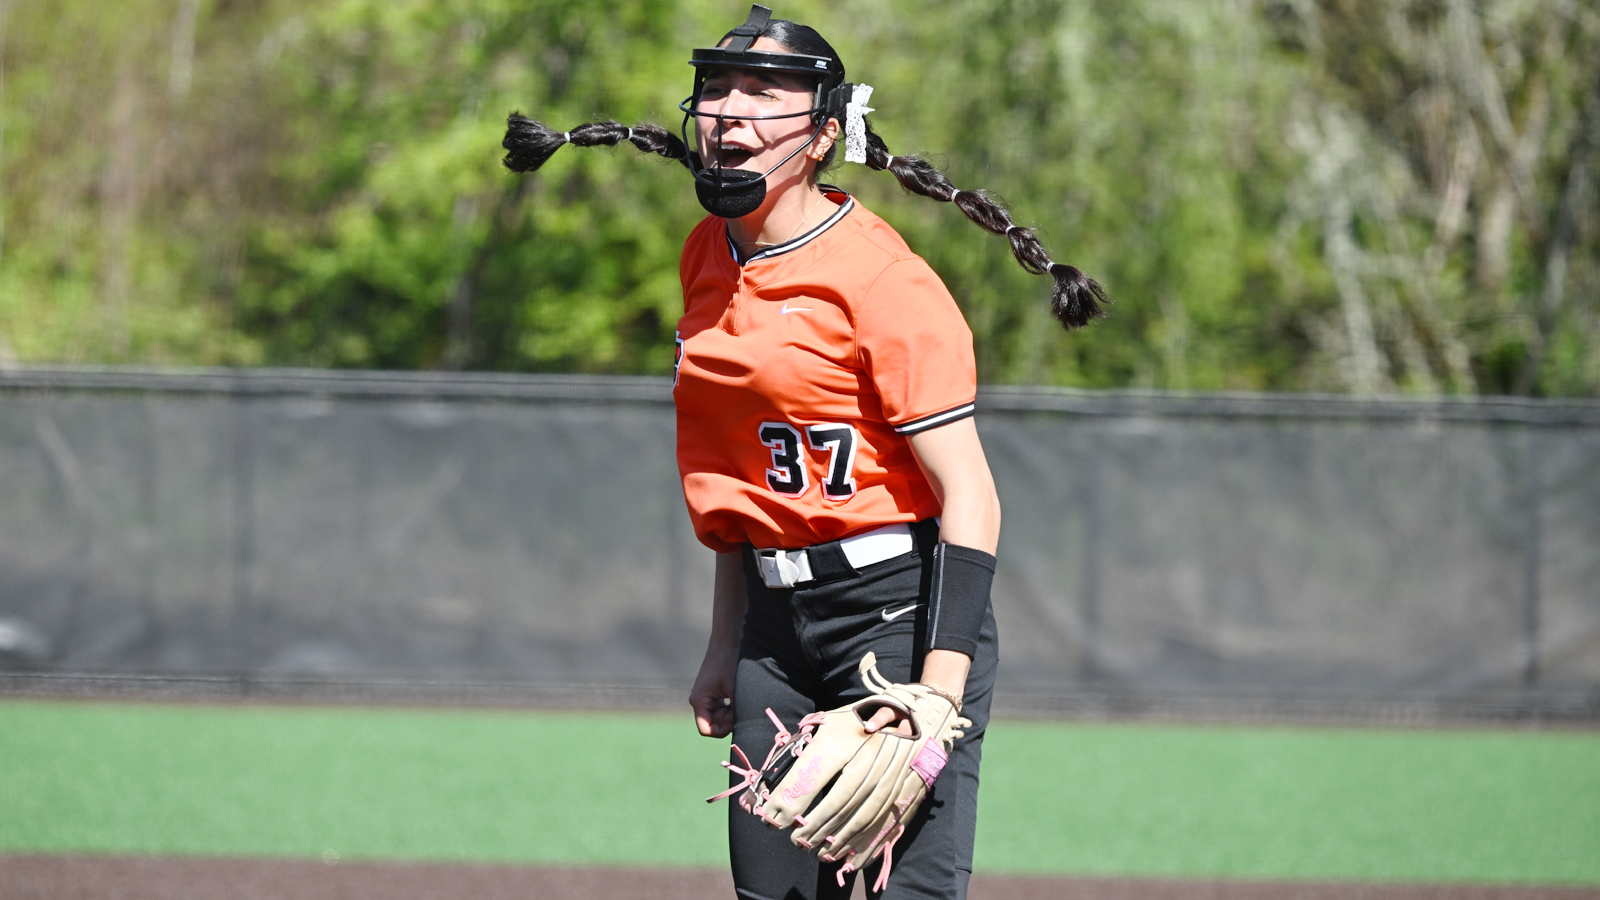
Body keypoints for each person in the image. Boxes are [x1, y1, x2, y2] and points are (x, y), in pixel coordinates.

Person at [502, 6, 1104, 899]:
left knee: (907, 894)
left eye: (766, 90)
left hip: (899, 617)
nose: (731, 108)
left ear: (824, 134)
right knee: (772, 894)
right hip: (775, 632)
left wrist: (937, 695)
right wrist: (724, 644)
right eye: (716, 87)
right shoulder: (707, 253)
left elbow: (971, 495)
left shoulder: (883, 280)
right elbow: (747, 479)